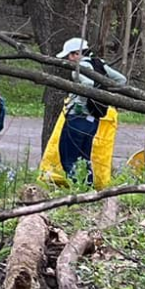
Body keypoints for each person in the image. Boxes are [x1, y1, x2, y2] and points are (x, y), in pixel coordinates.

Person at [55, 38, 126, 184]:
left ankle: (76, 189)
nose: (68, 59)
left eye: (69, 55)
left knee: (69, 157)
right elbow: (121, 80)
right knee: (84, 157)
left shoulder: (78, 69)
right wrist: (106, 96)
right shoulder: (100, 64)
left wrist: (81, 103)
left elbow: (87, 83)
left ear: (76, 54)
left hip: (77, 117)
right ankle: (87, 188)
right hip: (93, 119)